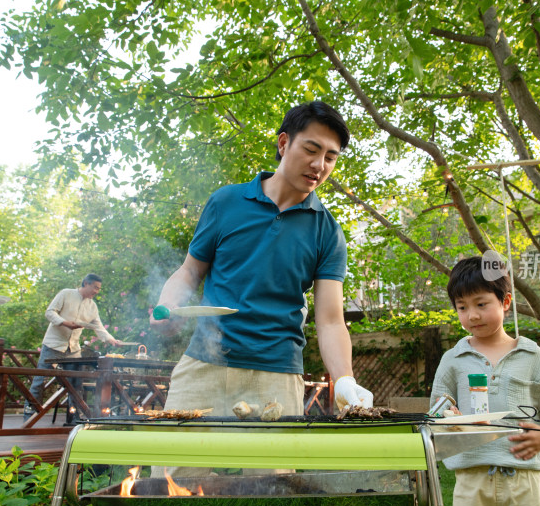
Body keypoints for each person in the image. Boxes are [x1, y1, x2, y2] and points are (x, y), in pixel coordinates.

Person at [150, 101, 373, 423]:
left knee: (275, 476)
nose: (319, 165)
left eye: (330, 157)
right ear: (284, 143)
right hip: (204, 363)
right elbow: (189, 271)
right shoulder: (226, 202)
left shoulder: (328, 231)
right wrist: (168, 304)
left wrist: (345, 380)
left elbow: (330, 321)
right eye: (311, 149)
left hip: (277, 376)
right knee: (174, 473)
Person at [430, 255, 540, 506]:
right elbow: (437, 411)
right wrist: (451, 418)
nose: (472, 315)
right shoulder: (453, 358)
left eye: (481, 304)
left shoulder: (531, 354)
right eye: (462, 307)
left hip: (525, 482)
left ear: (506, 302)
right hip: (472, 481)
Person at [24, 274, 122, 421]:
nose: (96, 291)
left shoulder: (92, 306)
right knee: (40, 380)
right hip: (53, 345)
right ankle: (29, 416)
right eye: (95, 287)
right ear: (86, 283)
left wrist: (112, 340)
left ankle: (74, 417)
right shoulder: (66, 294)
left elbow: (98, 326)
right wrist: (64, 322)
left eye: (99, 289)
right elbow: (49, 312)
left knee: (76, 384)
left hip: (73, 349)